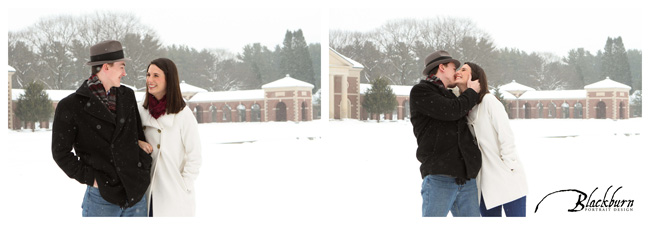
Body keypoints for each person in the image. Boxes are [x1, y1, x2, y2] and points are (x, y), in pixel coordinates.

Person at [51, 40, 151, 217]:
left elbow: (136, 134)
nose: (125, 73)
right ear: (106, 67)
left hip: (135, 194)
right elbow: (61, 153)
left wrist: (141, 164)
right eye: (121, 67)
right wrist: (93, 179)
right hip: (102, 198)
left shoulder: (127, 96)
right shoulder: (70, 106)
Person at [409, 50, 482, 217]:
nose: (456, 72)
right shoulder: (421, 91)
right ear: (441, 67)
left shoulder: (450, 95)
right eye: (453, 67)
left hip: (466, 179)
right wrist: (471, 92)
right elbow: (451, 111)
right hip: (439, 178)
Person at [455, 62, 528, 217]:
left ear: (475, 77)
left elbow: (506, 135)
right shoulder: (463, 107)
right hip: (485, 185)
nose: (458, 71)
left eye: (463, 69)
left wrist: (509, 166)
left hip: (507, 177)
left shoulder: (489, 101)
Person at [137, 58, 202, 217]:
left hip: (173, 194)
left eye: (156, 75)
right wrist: (138, 143)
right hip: (146, 191)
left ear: (169, 79)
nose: (149, 80)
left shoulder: (183, 114)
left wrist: (184, 185)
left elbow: (195, 156)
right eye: (148, 75)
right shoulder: (140, 109)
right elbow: (127, 139)